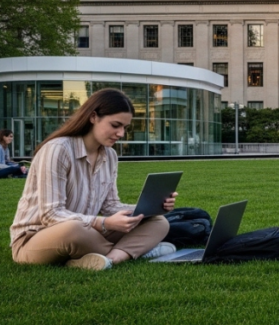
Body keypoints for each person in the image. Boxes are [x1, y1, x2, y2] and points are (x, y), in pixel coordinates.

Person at [10, 88, 177, 271]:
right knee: (73, 230)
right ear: (93, 117)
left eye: (125, 127)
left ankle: (110, 259)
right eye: (115, 125)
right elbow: (51, 214)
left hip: (90, 231)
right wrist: (103, 223)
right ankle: (135, 252)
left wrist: (149, 208)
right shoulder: (58, 149)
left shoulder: (110, 156)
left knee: (158, 222)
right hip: (37, 237)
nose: (121, 134)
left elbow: (110, 205)